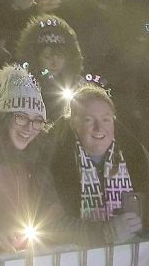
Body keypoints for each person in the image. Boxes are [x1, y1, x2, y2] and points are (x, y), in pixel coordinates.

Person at [0, 64, 110, 251]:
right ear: (4, 117)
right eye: (21, 117)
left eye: (37, 120)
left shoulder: (39, 160)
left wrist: (103, 232)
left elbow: (52, 219)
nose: (29, 127)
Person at [48, 84, 146, 238]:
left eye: (106, 119)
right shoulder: (55, 162)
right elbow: (49, 225)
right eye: (88, 120)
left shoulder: (135, 157)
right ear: (74, 123)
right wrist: (105, 232)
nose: (99, 128)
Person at [13, 14, 83, 109]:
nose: (54, 63)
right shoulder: (22, 87)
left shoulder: (79, 88)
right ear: (36, 58)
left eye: (60, 57)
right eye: (47, 57)